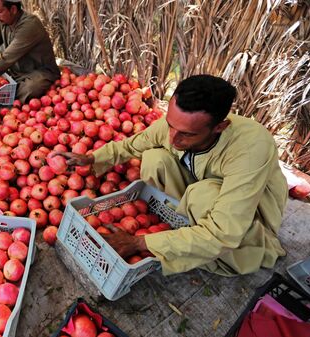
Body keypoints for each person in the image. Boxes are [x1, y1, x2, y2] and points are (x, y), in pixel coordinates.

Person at [59, 75, 288, 276]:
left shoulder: (250, 149)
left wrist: (139, 242)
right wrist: (92, 159)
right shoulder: (177, 127)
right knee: (154, 159)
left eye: (186, 135)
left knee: (202, 196)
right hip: (200, 193)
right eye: (170, 125)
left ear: (219, 127)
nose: (173, 140)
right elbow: (132, 145)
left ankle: (220, 248)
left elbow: (224, 233)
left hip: (247, 220)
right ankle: (183, 232)